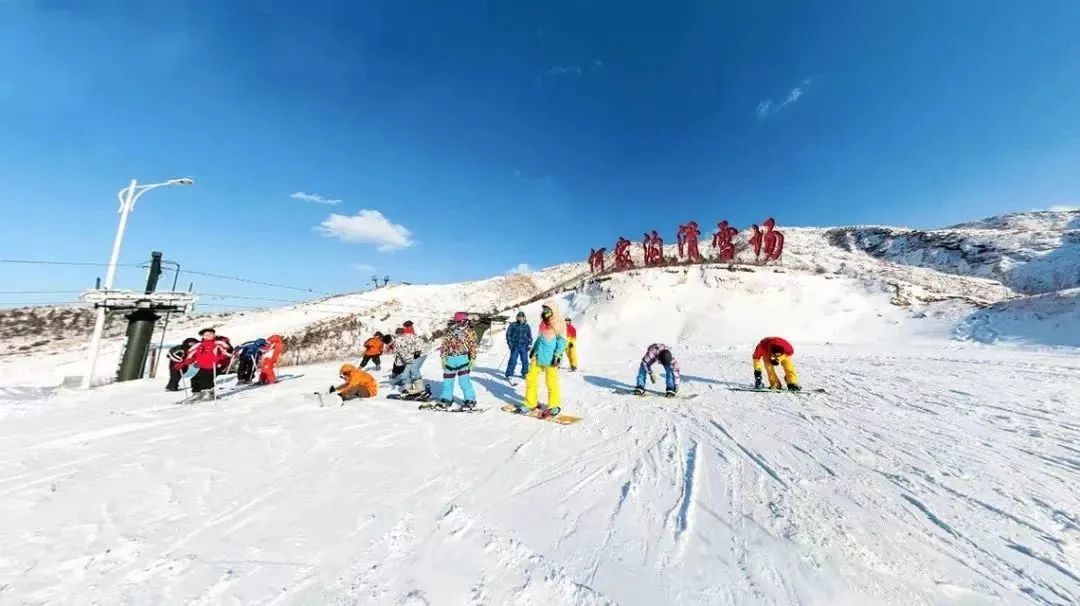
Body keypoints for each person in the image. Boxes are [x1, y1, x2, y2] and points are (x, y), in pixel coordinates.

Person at [520, 300, 567, 417]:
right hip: (538, 355)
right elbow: (540, 338)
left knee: (551, 381)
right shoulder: (542, 323)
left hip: (551, 357)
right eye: (544, 309)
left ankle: (554, 405)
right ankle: (530, 402)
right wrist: (533, 349)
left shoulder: (559, 323)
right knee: (531, 378)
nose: (544, 311)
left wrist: (558, 355)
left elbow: (562, 341)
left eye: (547, 309)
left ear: (553, 310)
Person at [439, 312, 478, 410]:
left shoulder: (469, 332)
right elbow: (444, 345)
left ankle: (470, 399)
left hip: (463, 359)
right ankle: (447, 399)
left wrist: (473, 358)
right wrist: (443, 357)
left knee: (464, 381)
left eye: (466, 322)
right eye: (463, 322)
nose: (465, 324)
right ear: (457, 322)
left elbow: (472, 346)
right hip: (450, 360)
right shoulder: (450, 332)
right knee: (448, 381)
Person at [183, 328, 232, 396]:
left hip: (214, 366)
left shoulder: (218, 343)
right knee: (194, 379)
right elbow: (192, 355)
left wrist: (218, 358)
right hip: (203, 366)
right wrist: (186, 362)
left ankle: (209, 393)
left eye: (210, 334)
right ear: (203, 336)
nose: (208, 336)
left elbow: (227, 353)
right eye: (206, 335)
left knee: (206, 379)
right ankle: (197, 393)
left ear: (214, 335)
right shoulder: (199, 345)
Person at [390, 327, 430, 400]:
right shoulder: (397, 344)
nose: (400, 336)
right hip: (411, 357)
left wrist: (418, 351)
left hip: (421, 353)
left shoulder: (410, 336)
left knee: (414, 369)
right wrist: (399, 366)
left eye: (400, 334)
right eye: (398, 335)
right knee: (405, 373)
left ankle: (421, 389)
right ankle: (409, 389)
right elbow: (399, 356)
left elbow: (418, 341)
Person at [504, 311, 532, 381]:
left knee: (525, 360)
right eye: (519, 317)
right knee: (513, 360)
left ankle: (525, 373)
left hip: (524, 346)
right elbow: (508, 334)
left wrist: (529, 344)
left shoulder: (527, 326)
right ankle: (509, 374)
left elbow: (530, 336)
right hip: (515, 346)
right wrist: (510, 344)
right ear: (517, 317)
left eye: (522, 317)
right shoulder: (513, 325)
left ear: (524, 318)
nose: (520, 318)